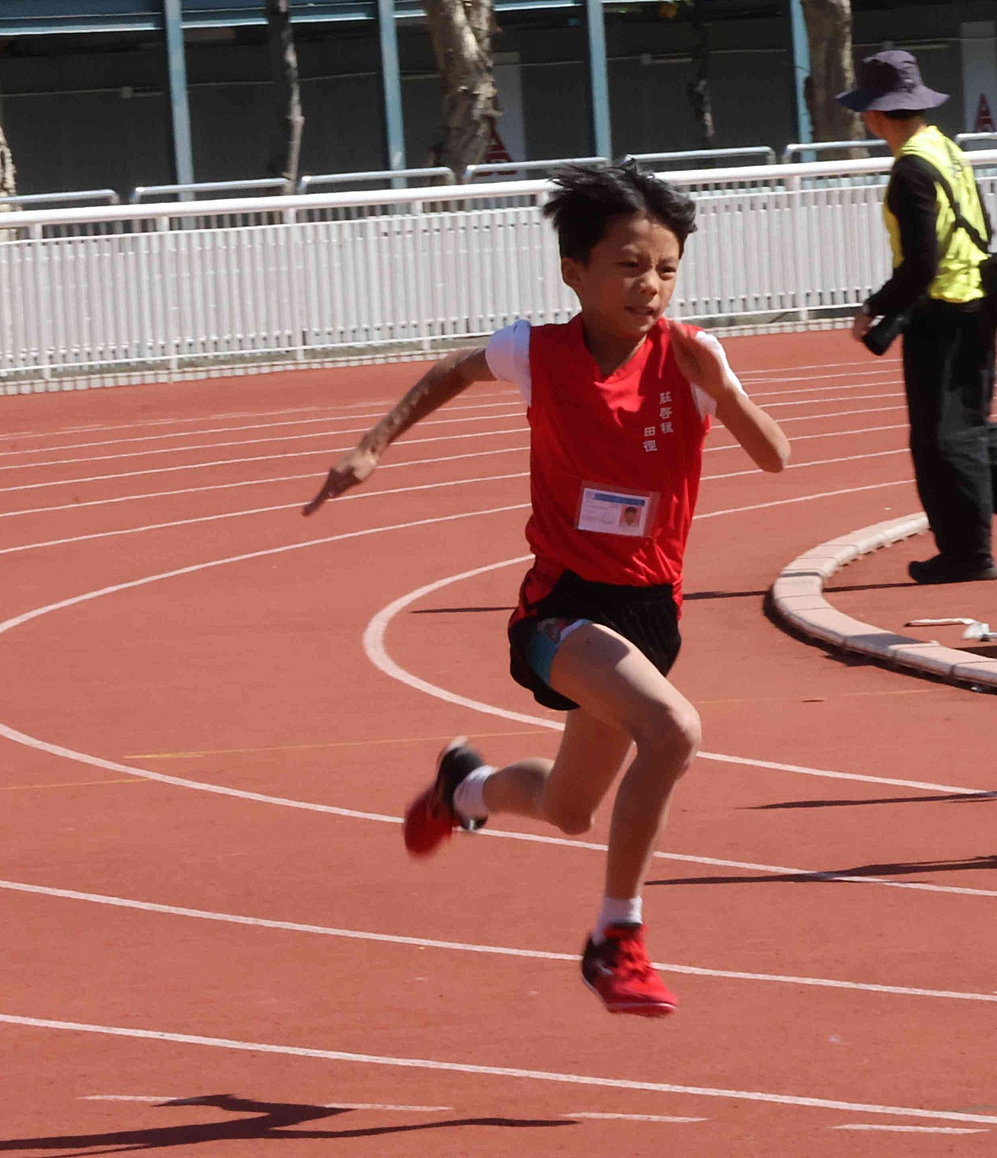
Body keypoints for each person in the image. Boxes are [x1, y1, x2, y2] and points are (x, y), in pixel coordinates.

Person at [304, 161, 790, 1016]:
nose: (650, 286)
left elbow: (775, 456)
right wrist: (373, 444)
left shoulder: (692, 357)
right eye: (629, 266)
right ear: (575, 272)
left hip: (651, 612)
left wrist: (723, 391)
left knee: (569, 809)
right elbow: (452, 372)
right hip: (561, 607)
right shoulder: (537, 351)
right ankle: (615, 937)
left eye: (667, 269)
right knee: (672, 730)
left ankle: (464, 789)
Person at [840, 50, 997, 585]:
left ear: (875, 115)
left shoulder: (910, 169)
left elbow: (920, 263)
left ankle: (967, 554)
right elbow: (983, 225)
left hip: (942, 315)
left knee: (942, 439)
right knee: (971, 425)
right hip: (977, 305)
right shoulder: (947, 150)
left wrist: (874, 307)